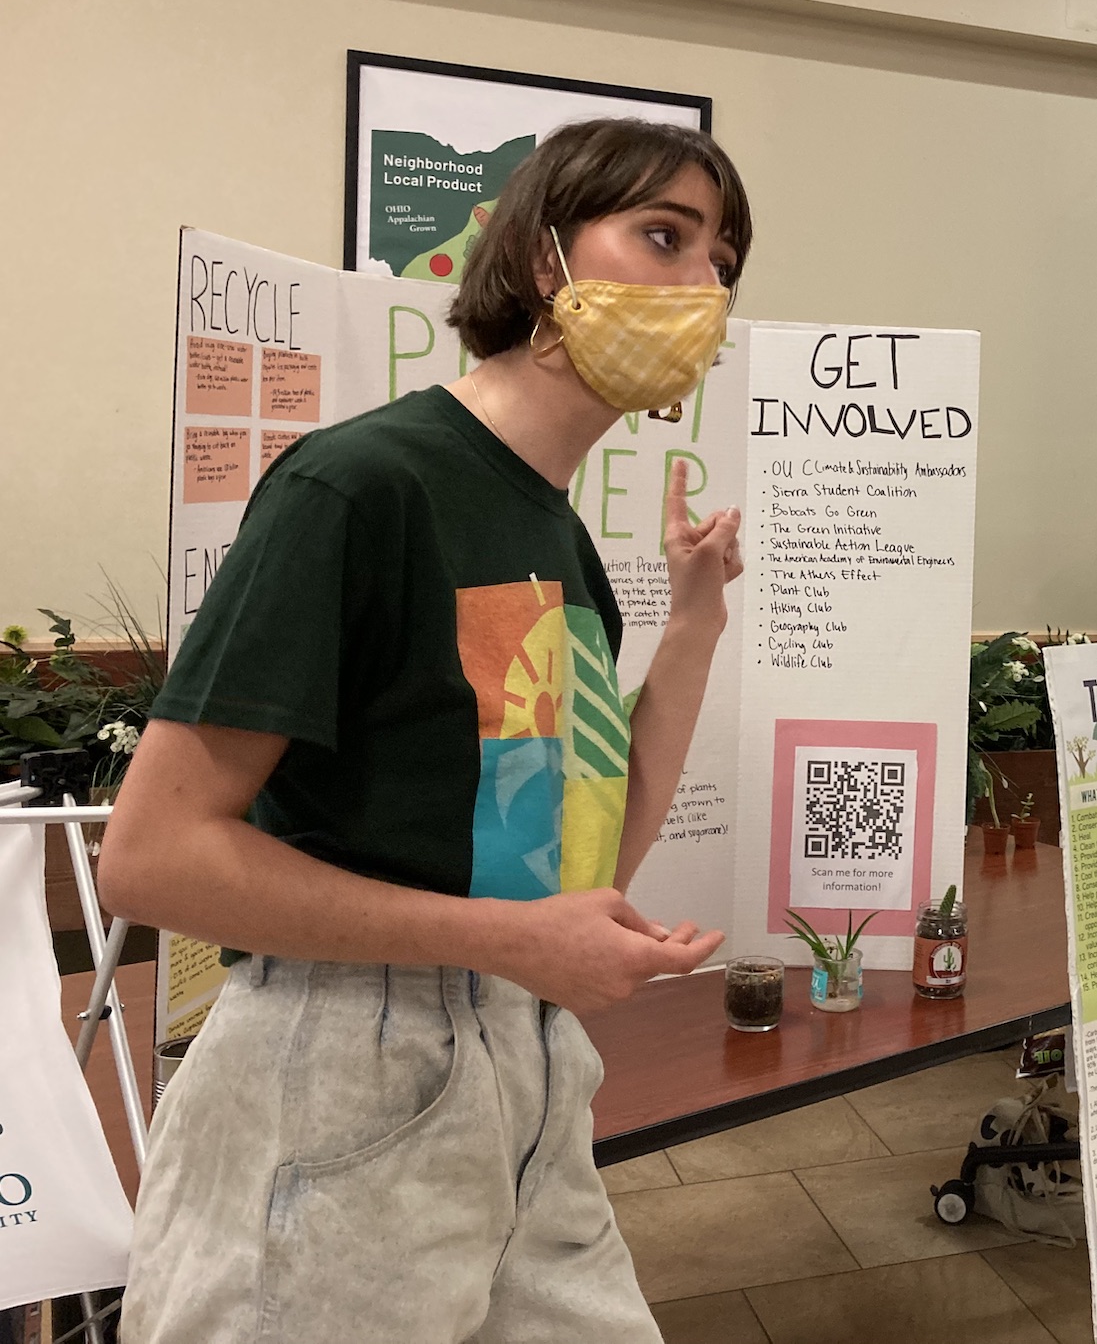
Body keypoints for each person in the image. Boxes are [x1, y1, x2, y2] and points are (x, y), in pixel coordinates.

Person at [98, 118, 751, 1342]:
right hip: (344, 1067)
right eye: (664, 235)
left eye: (722, 259)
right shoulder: (360, 487)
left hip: (523, 1080)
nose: (702, 284)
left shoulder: (553, 535)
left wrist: (696, 625)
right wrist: (510, 939)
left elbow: (590, 864)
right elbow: (154, 854)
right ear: (546, 258)